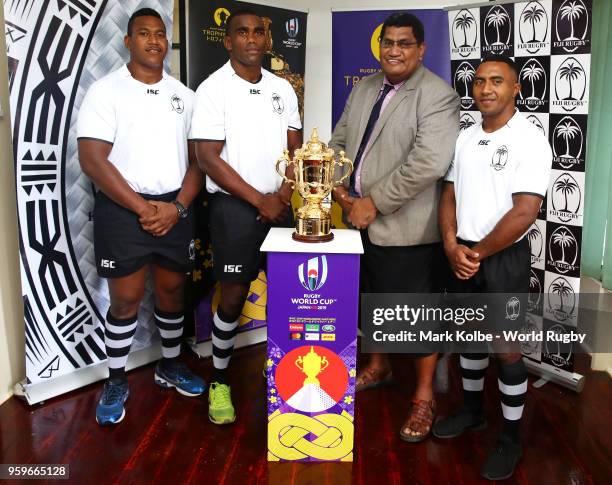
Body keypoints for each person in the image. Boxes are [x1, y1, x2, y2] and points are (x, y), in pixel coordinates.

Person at [329, 12, 459, 442]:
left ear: (421, 50)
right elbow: (340, 141)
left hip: (407, 228)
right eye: (389, 42)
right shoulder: (366, 87)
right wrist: (335, 187)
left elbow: (429, 163)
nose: (395, 50)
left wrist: (374, 203)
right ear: (379, 46)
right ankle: (379, 365)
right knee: (372, 301)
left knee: (414, 315)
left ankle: (424, 398)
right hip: (356, 220)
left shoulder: (437, 95)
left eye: (405, 43)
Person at [77, 8, 206, 426]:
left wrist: (177, 208)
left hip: (174, 209)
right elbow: (93, 160)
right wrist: (142, 208)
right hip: (123, 210)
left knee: (171, 295)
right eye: (144, 34)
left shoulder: (184, 96)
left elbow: (199, 161)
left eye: (160, 34)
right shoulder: (105, 91)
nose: (154, 41)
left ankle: (169, 366)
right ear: (127, 41)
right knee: (127, 300)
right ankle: (116, 380)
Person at [434, 55, 552, 480]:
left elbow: (525, 212)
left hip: (500, 257)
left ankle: (511, 439)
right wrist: (451, 244)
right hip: (462, 252)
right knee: (469, 338)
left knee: (506, 348)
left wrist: (476, 252)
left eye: (497, 81)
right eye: (480, 81)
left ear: (515, 88)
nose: (485, 89)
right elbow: (448, 193)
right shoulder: (465, 136)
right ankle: (471, 413)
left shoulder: (530, 139)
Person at [191, 9, 302, 425]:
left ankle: (280, 367)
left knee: (292, 293)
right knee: (234, 297)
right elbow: (207, 158)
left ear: (267, 39)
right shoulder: (212, 89)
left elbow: (294, 151)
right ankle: (219, 379)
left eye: (258, 32)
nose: (251, 39)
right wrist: (260, 200)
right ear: (228, 41)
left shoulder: (283, 90)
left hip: (280, 202)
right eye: (242, 32)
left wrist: (284, 194)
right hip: (235, 208)